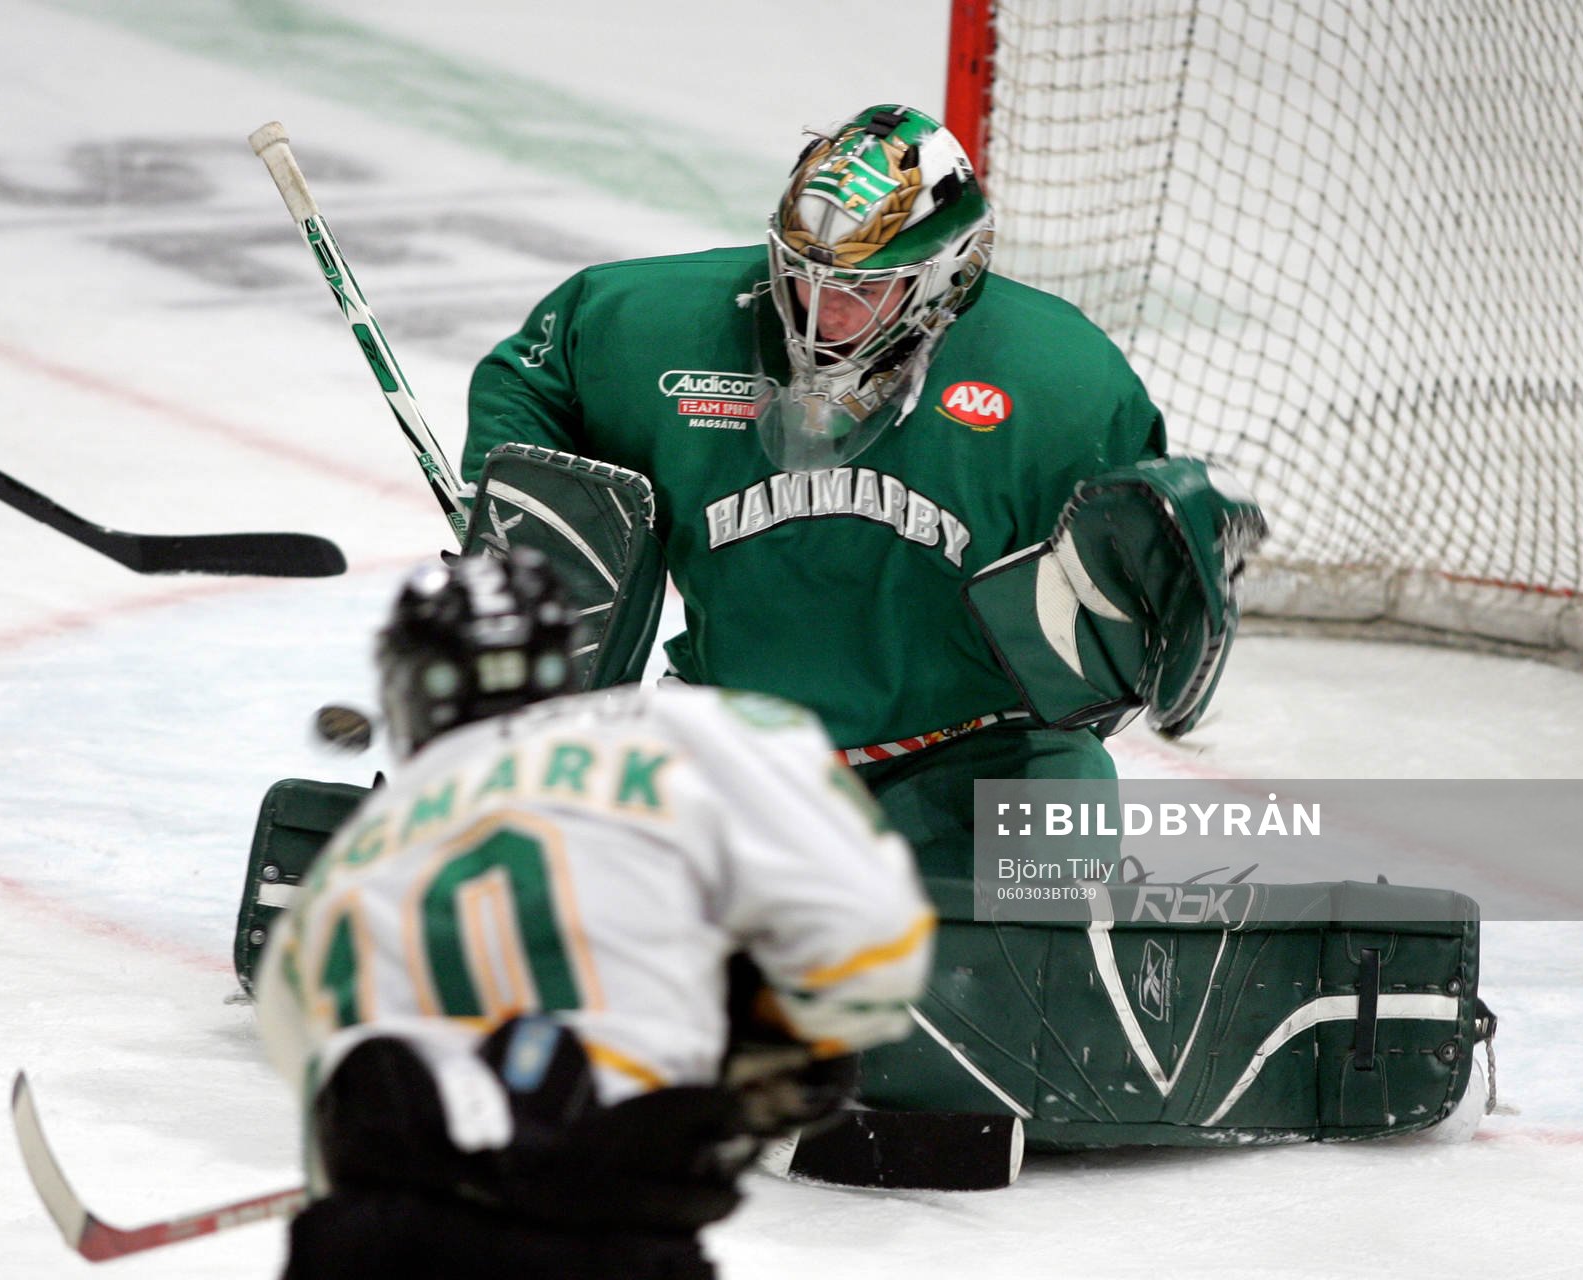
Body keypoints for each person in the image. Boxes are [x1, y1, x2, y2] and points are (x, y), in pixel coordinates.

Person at [458, 104, 1272, 1146]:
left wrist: (1164, 595)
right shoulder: (655, 326)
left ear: (944, 275)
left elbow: (1128, 596)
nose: (816, 307)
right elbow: (535, 375)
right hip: (736, 749)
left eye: (856, 285)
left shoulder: (1061, 382)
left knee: (1049, 999)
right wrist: (523, 513)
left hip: (987, 761)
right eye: (800, 272)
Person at [255, 550, 935, 1278]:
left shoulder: (356, 851)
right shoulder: (687, 732)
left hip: (372, 1247)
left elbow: (313, 1071)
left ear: (403, 687)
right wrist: (768, 1039)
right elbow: (872, 951)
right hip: (604, 1235)